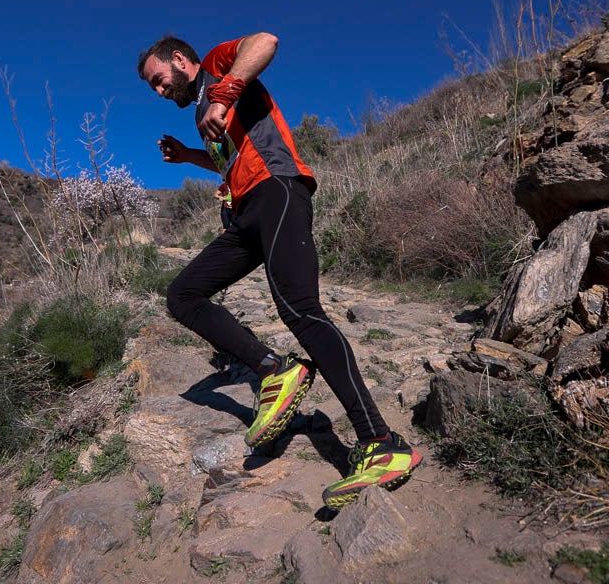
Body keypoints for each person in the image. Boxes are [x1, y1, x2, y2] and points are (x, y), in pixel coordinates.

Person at [137, 32, 422, 509]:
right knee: (183, 295)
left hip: (277, 189)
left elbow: (265, 42)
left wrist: (224, 94)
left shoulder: (218, 67)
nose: (160, 91)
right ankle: (274, 369)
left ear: (180, 59)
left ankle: (382, 443)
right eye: (154, 87)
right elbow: (228, 159)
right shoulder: (201, 108)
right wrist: (189, 155)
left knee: (300, 311)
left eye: (159, 80)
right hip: (246, 214)